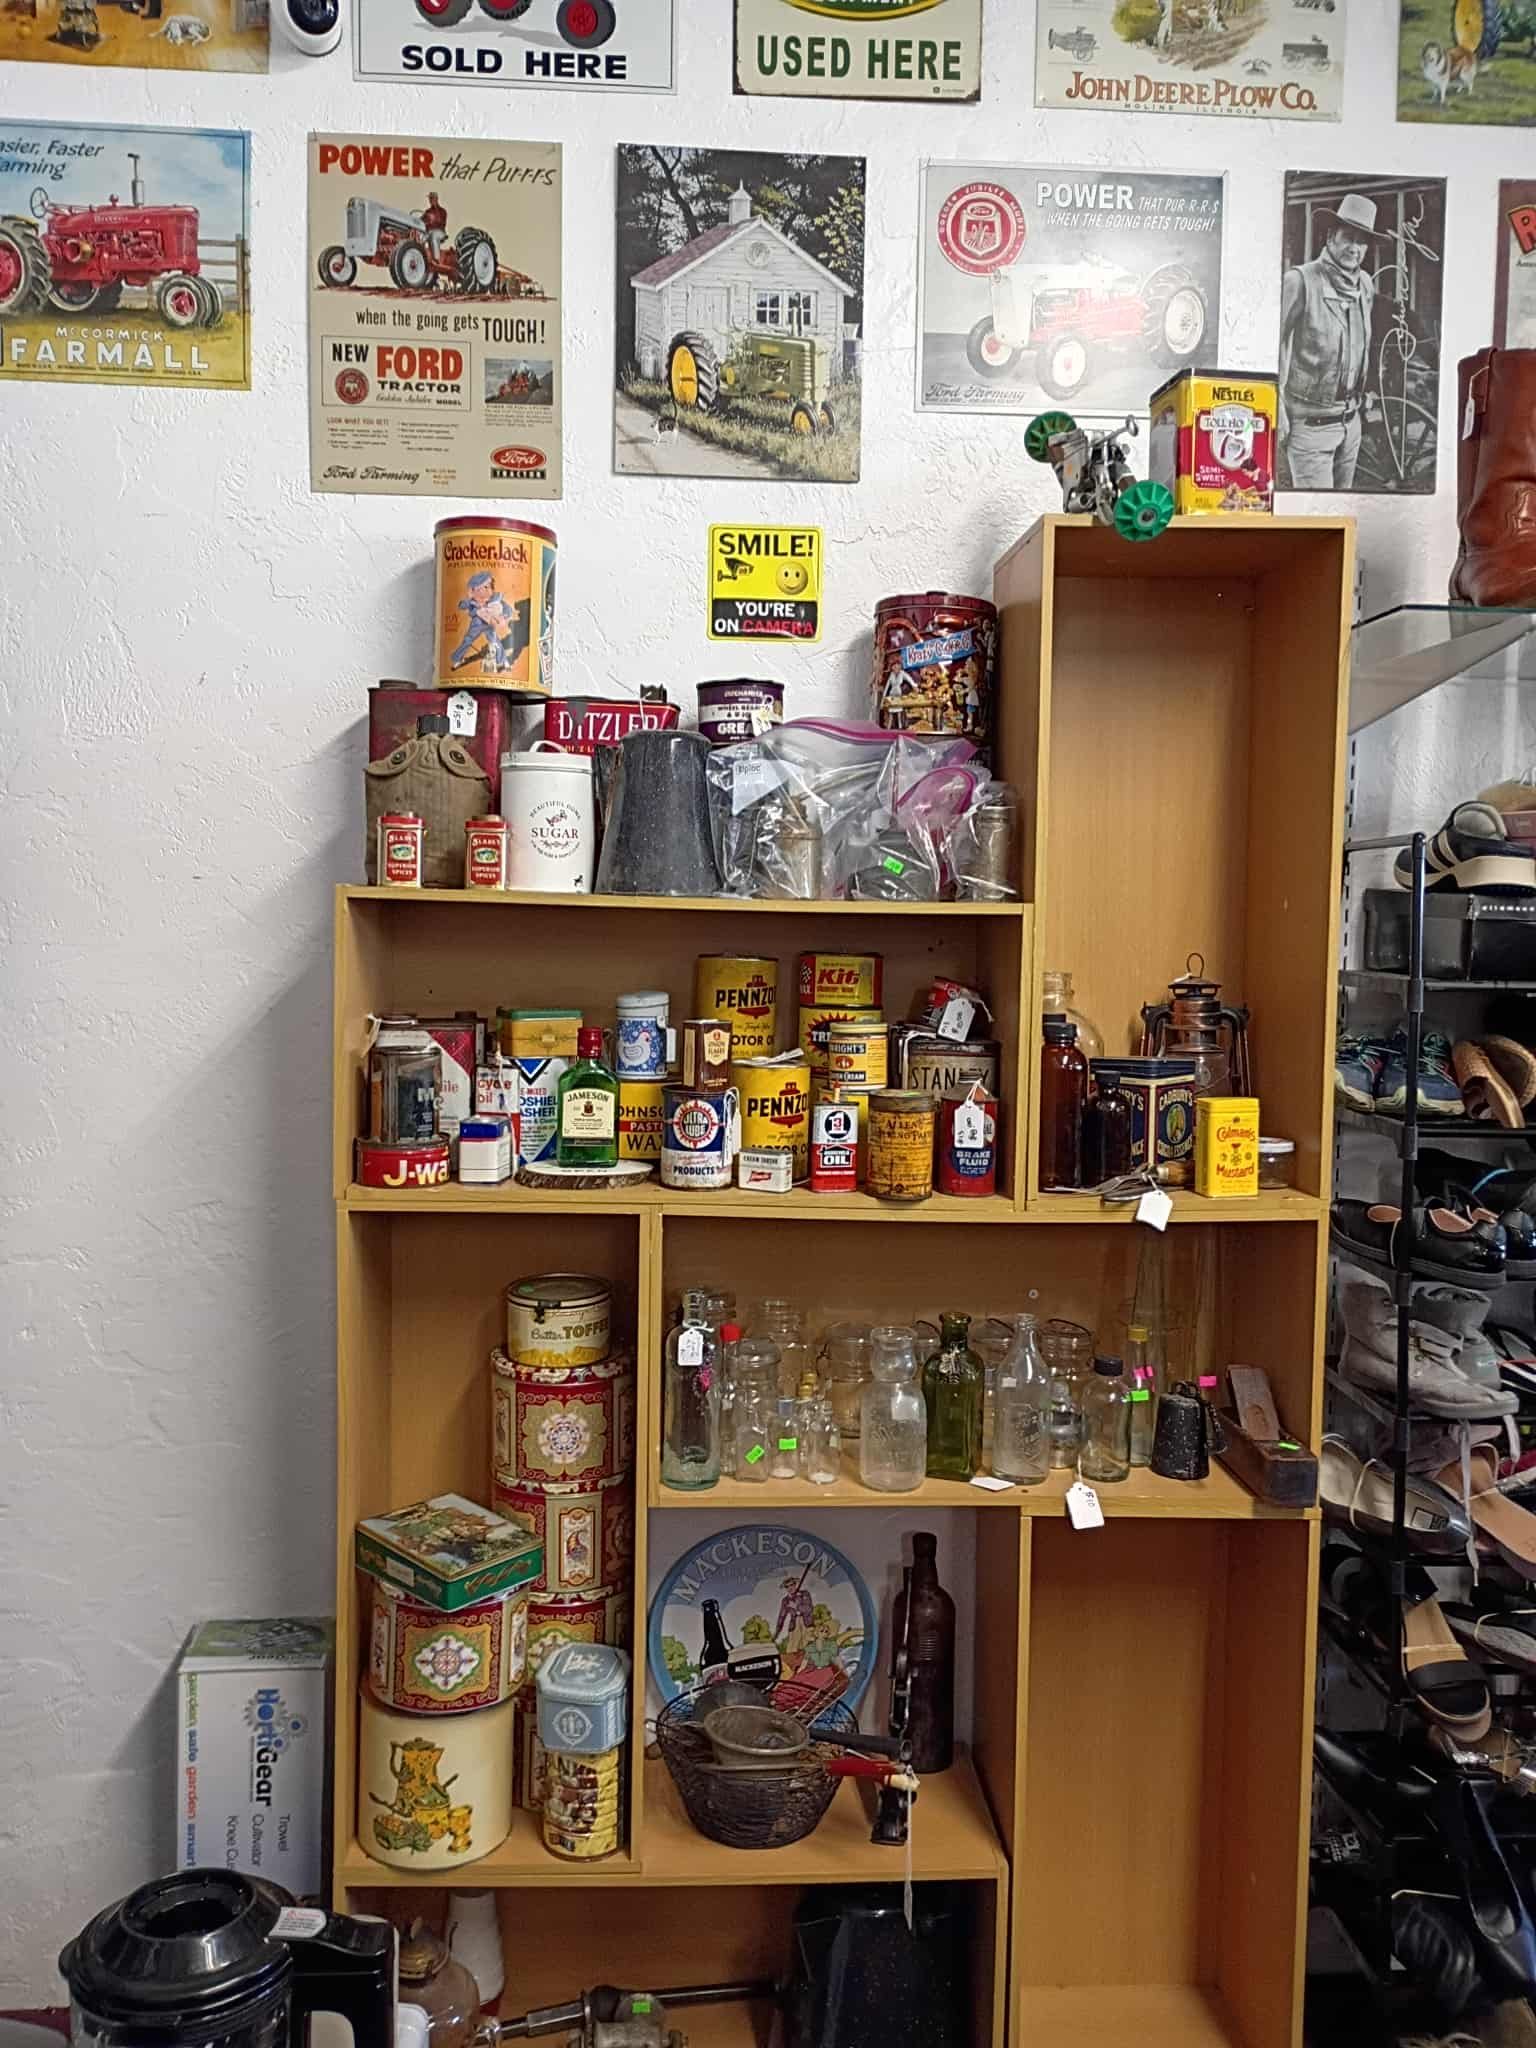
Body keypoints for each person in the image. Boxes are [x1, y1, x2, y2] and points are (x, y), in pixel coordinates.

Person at [1279, 191, 1384, 490]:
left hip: (1351, 426)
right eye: (1348, 237)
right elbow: (1273, 346)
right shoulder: (1300, 281)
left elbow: (1362, 345)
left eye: (1362, 241)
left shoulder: (1365, 285)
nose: (1354, 248)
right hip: (1310, 427)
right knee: (1316, 514)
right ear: (1330, 238)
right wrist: (1277, 407)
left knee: (1340, 510)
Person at [420, 189, 448, 262]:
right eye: (430, 199)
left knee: (433, 235)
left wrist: (431, 222)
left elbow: (442, 223)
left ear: (436, 199)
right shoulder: (427, 211)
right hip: (428, 232)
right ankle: (421, 258)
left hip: (440, 232)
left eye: (432, 198)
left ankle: (436, 259)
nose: (430, 200)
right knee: (420, 239)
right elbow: (421, 220)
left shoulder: (442, 211)